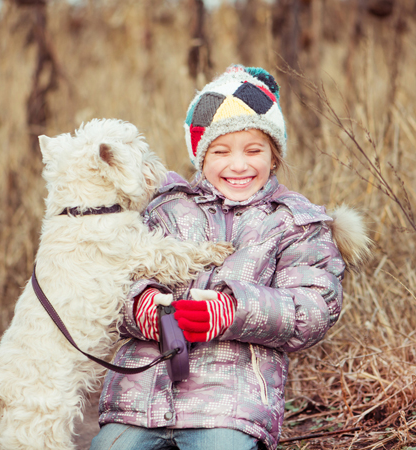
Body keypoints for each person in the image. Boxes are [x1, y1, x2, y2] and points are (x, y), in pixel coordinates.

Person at [89, 65, 370, 450]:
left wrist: (231, 311)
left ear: (274, 156)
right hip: (140, 401)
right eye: (220, 152)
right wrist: (140, 306)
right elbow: (108, 281)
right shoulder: (164, 210)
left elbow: (314, 308)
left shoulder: (295, 223)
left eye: (253, 150)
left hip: (231, 407)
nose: (238, 165)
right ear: (200, 158)